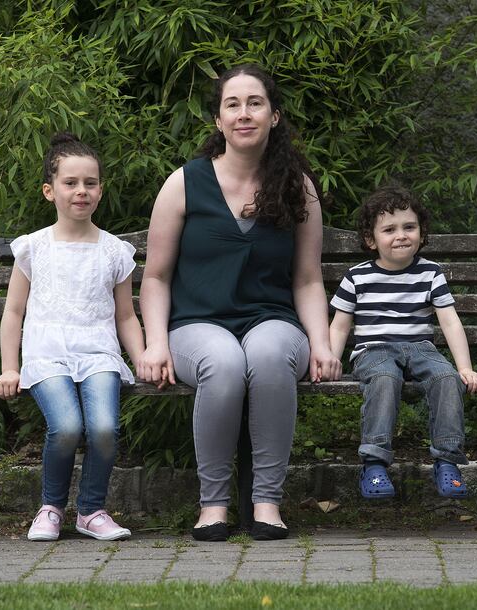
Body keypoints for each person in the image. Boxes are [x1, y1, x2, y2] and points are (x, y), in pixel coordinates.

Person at [138, 64, 342, 541]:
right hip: (195, 325)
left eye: (255, 103)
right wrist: (153, 344)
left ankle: (267, 502)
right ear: (218, 120)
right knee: (225, 363)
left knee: (268, 356)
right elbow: (155, 276)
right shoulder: (184, 183)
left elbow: (309, 279)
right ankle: (213, 505)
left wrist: (323, 343)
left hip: (273, 321)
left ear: (274, 116)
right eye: (232, 104)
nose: (244, 113)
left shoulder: (298, 187)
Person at [0, 132, 144, 541]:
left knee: (104, 429)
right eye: (70, 183)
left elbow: (126, 316)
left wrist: (143, 356)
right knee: (66, 425)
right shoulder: (33, 248)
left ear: (101, 190)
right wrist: (10, 367)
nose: (81, 191)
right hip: (48, 355)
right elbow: (13, 312)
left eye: (90, 183)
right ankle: (51, 508)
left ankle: (91, 510)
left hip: (98, 354)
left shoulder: (115, 252)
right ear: (49, 190)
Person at [329, 184, 477, 499]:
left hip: (421, 349)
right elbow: (339, 326)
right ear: (371, 240)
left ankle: (447, 462)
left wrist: (465, 368)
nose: (401, 235)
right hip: (373, 352)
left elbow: (449, 321)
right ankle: (374, 464)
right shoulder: (357, 277)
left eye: (409, 227)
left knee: (446, 378)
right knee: (386, 378)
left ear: (421, 232)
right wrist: (332, 360)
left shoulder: (430, 273)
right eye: (389, 229)